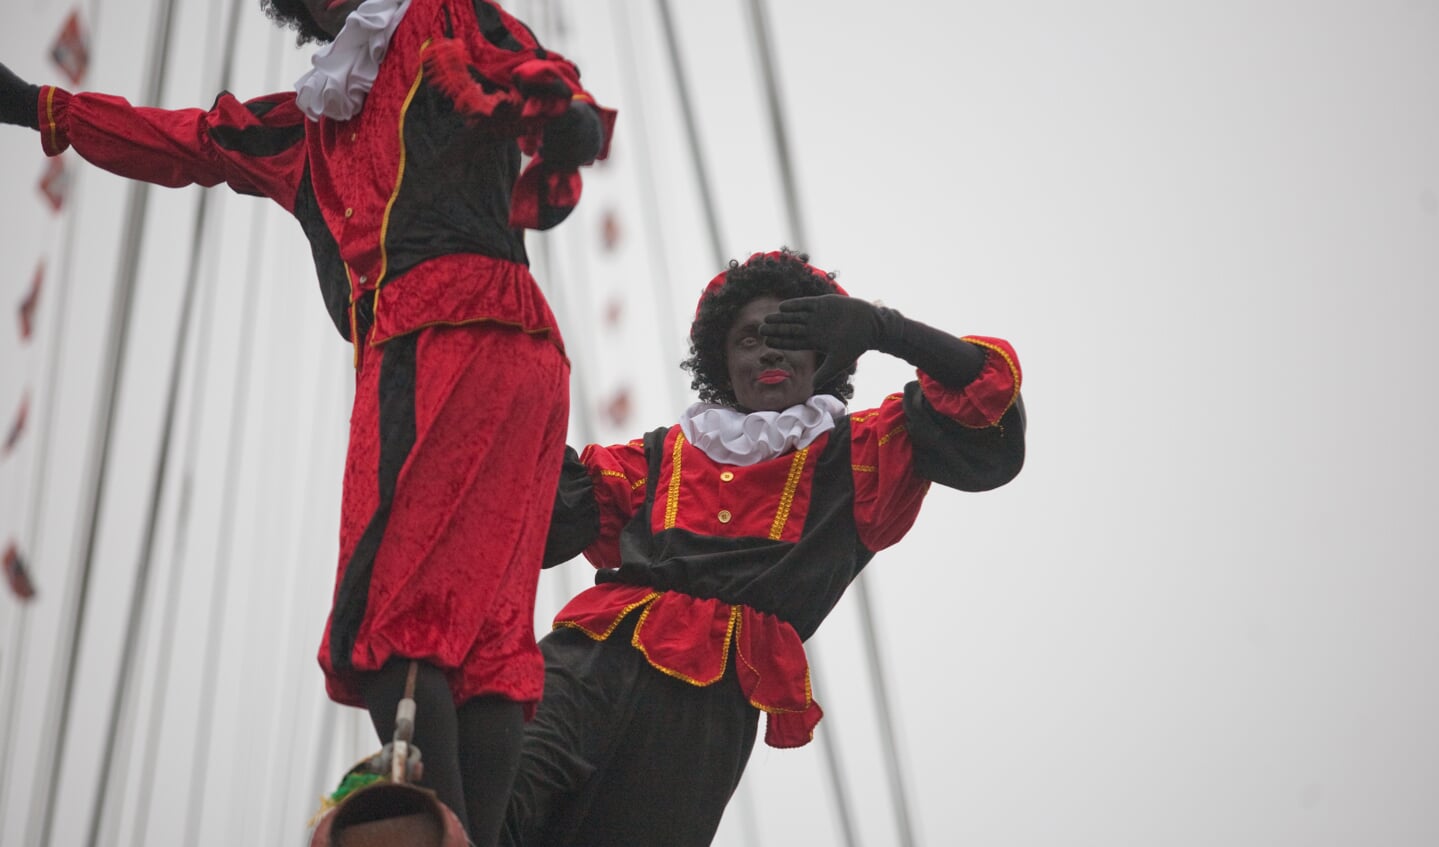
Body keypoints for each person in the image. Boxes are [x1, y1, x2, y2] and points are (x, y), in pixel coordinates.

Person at [0, 1, 614, 844]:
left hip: (433, 341)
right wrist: (45, 106)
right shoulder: (305, 127)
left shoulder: (437, 16)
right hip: (520, 360)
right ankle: (469, 830)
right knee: (480, 637)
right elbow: (191, 140)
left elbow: (526, 64)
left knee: (384, 618)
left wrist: (567, 116)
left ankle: (444, 830)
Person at [503, 248, 1026, 846]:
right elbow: (532, 507)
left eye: (789, 335)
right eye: (747, 339)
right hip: (589, 661)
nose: (768, 350)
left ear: (823, 356)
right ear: (723, 365)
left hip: (705, 712)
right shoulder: (658, 458)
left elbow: (983, 413)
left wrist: (884, 328)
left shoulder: (860, 458)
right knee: (493, 798)